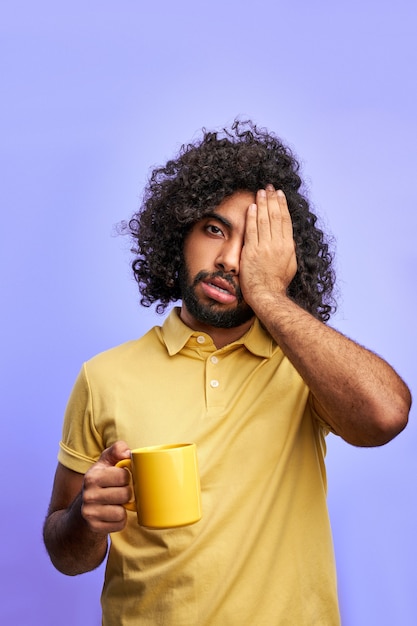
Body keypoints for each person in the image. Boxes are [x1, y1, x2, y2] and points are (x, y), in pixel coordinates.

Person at [43, 120, 411, 625]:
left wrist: (269, 296)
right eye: (215, 230)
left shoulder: (304, 368)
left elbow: (387, 415)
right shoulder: (103, 376)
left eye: (253, 245)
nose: (229, 260)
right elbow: (67, 556)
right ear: (180, 232)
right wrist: (85, 519)